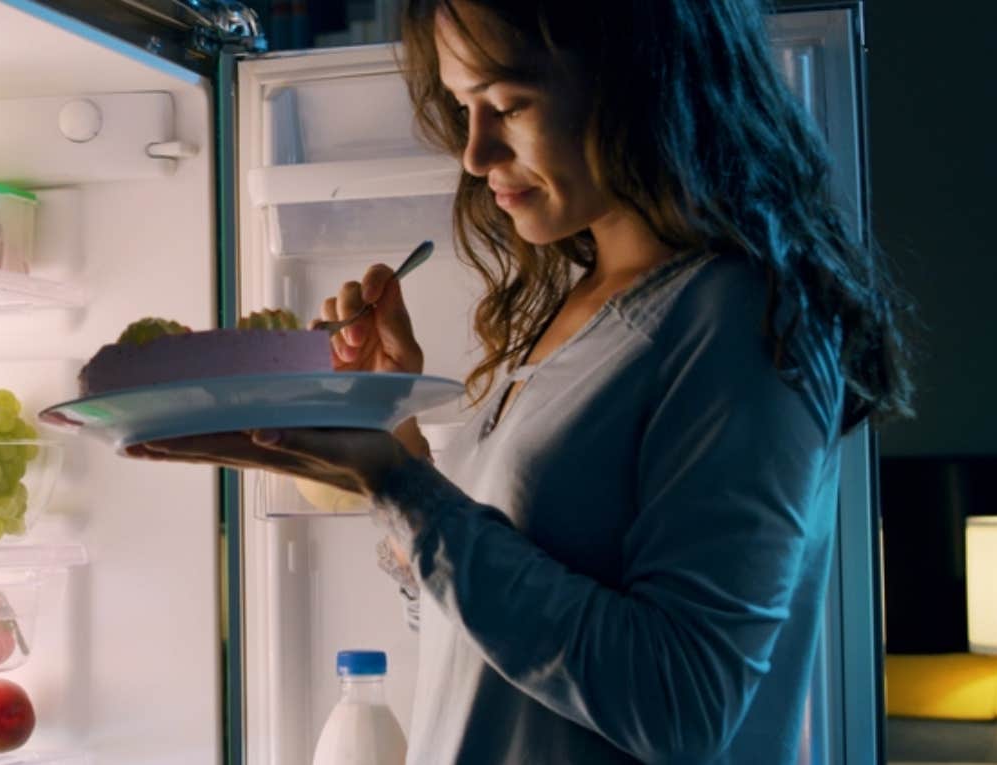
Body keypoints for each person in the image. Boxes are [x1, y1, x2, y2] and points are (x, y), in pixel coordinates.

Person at [129, 0, 915, 761]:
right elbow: (488, 655)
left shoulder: (740, 317)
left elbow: (683, 704)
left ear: (639, 81)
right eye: (464, 103)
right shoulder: (583, 304)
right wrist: (391, 435)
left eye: (507, 102)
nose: (475, 152)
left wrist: (397, 482)